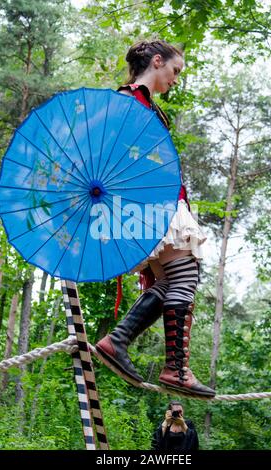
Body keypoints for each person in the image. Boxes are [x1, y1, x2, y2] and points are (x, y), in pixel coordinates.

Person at [95, 39, 215, 398]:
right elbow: (110, 153)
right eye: (175, 71)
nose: (175, 79)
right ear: (157, 61)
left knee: (174, 281)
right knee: (187, 273)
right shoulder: (128, 101)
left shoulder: (147, 106)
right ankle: (175, 368)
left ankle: (118, 343)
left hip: (154, 202)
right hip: (146, 202)